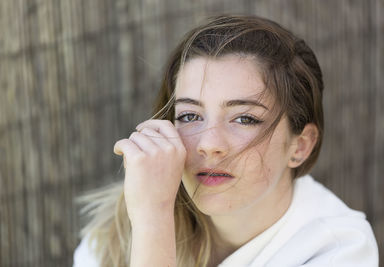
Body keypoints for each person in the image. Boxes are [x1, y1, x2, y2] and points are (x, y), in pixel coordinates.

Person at [73, 15, 379, 267]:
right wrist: (152, 217)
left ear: (300, 146)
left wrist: (153, 223)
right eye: (191, 116)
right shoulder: (122, 227)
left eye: (245, 118)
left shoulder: (338, 251)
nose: (209, 144)